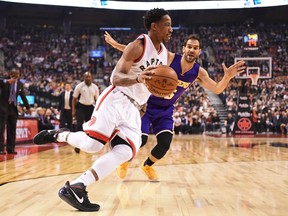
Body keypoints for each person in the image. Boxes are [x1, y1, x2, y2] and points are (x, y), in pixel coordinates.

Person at [33, 8, 172, 212]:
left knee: (127, 150)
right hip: (116, 98)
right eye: (167, 24)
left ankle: (78, 186)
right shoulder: (138, 45)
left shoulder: (164, 55)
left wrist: (144, 103)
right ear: (154, 26)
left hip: (133, 109)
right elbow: (116, 79)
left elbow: (150, 85)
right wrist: (138, 78)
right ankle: (59, 134)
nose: (171, 29)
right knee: (92, 145)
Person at [104, 32, 246, 181]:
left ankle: (147, 166)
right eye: (189, 47)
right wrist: (114, 44)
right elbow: (139, 53)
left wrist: (228, 76)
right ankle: (124, 162)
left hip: (165, 110)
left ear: (199, 51)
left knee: (164, 144)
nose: (191, 50)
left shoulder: (198, 72)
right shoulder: (169, 58)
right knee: (141, 140)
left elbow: (216, 89)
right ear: (184, 48)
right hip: (147, 105)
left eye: (195, 48)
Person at [0, 68, 31, 155]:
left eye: (17, 74)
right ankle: (1, 149)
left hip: (13, 108)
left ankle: (10, 148)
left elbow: (23, 96)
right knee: (1, 129)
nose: (15, 76)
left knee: (12, 129)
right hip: (3, 108)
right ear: (10, 74)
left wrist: (28, 108)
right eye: (13, 74)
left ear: (19, 75)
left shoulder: (20, 84)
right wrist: (6, 82)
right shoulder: (4, 82)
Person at [72, 72, 99, 153]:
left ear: (92, 78)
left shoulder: (95, 87)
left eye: (89, 77)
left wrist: (98, 111)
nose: (88, 78)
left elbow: (97, 100)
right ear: (83, 77)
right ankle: (77, 145)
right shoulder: (79, 86)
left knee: (89, 126)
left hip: (90, 107)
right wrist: (73, 110)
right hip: (81, 106)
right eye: (86, 77)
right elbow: (74, 99)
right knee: (79, 124)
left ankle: (87, 144)